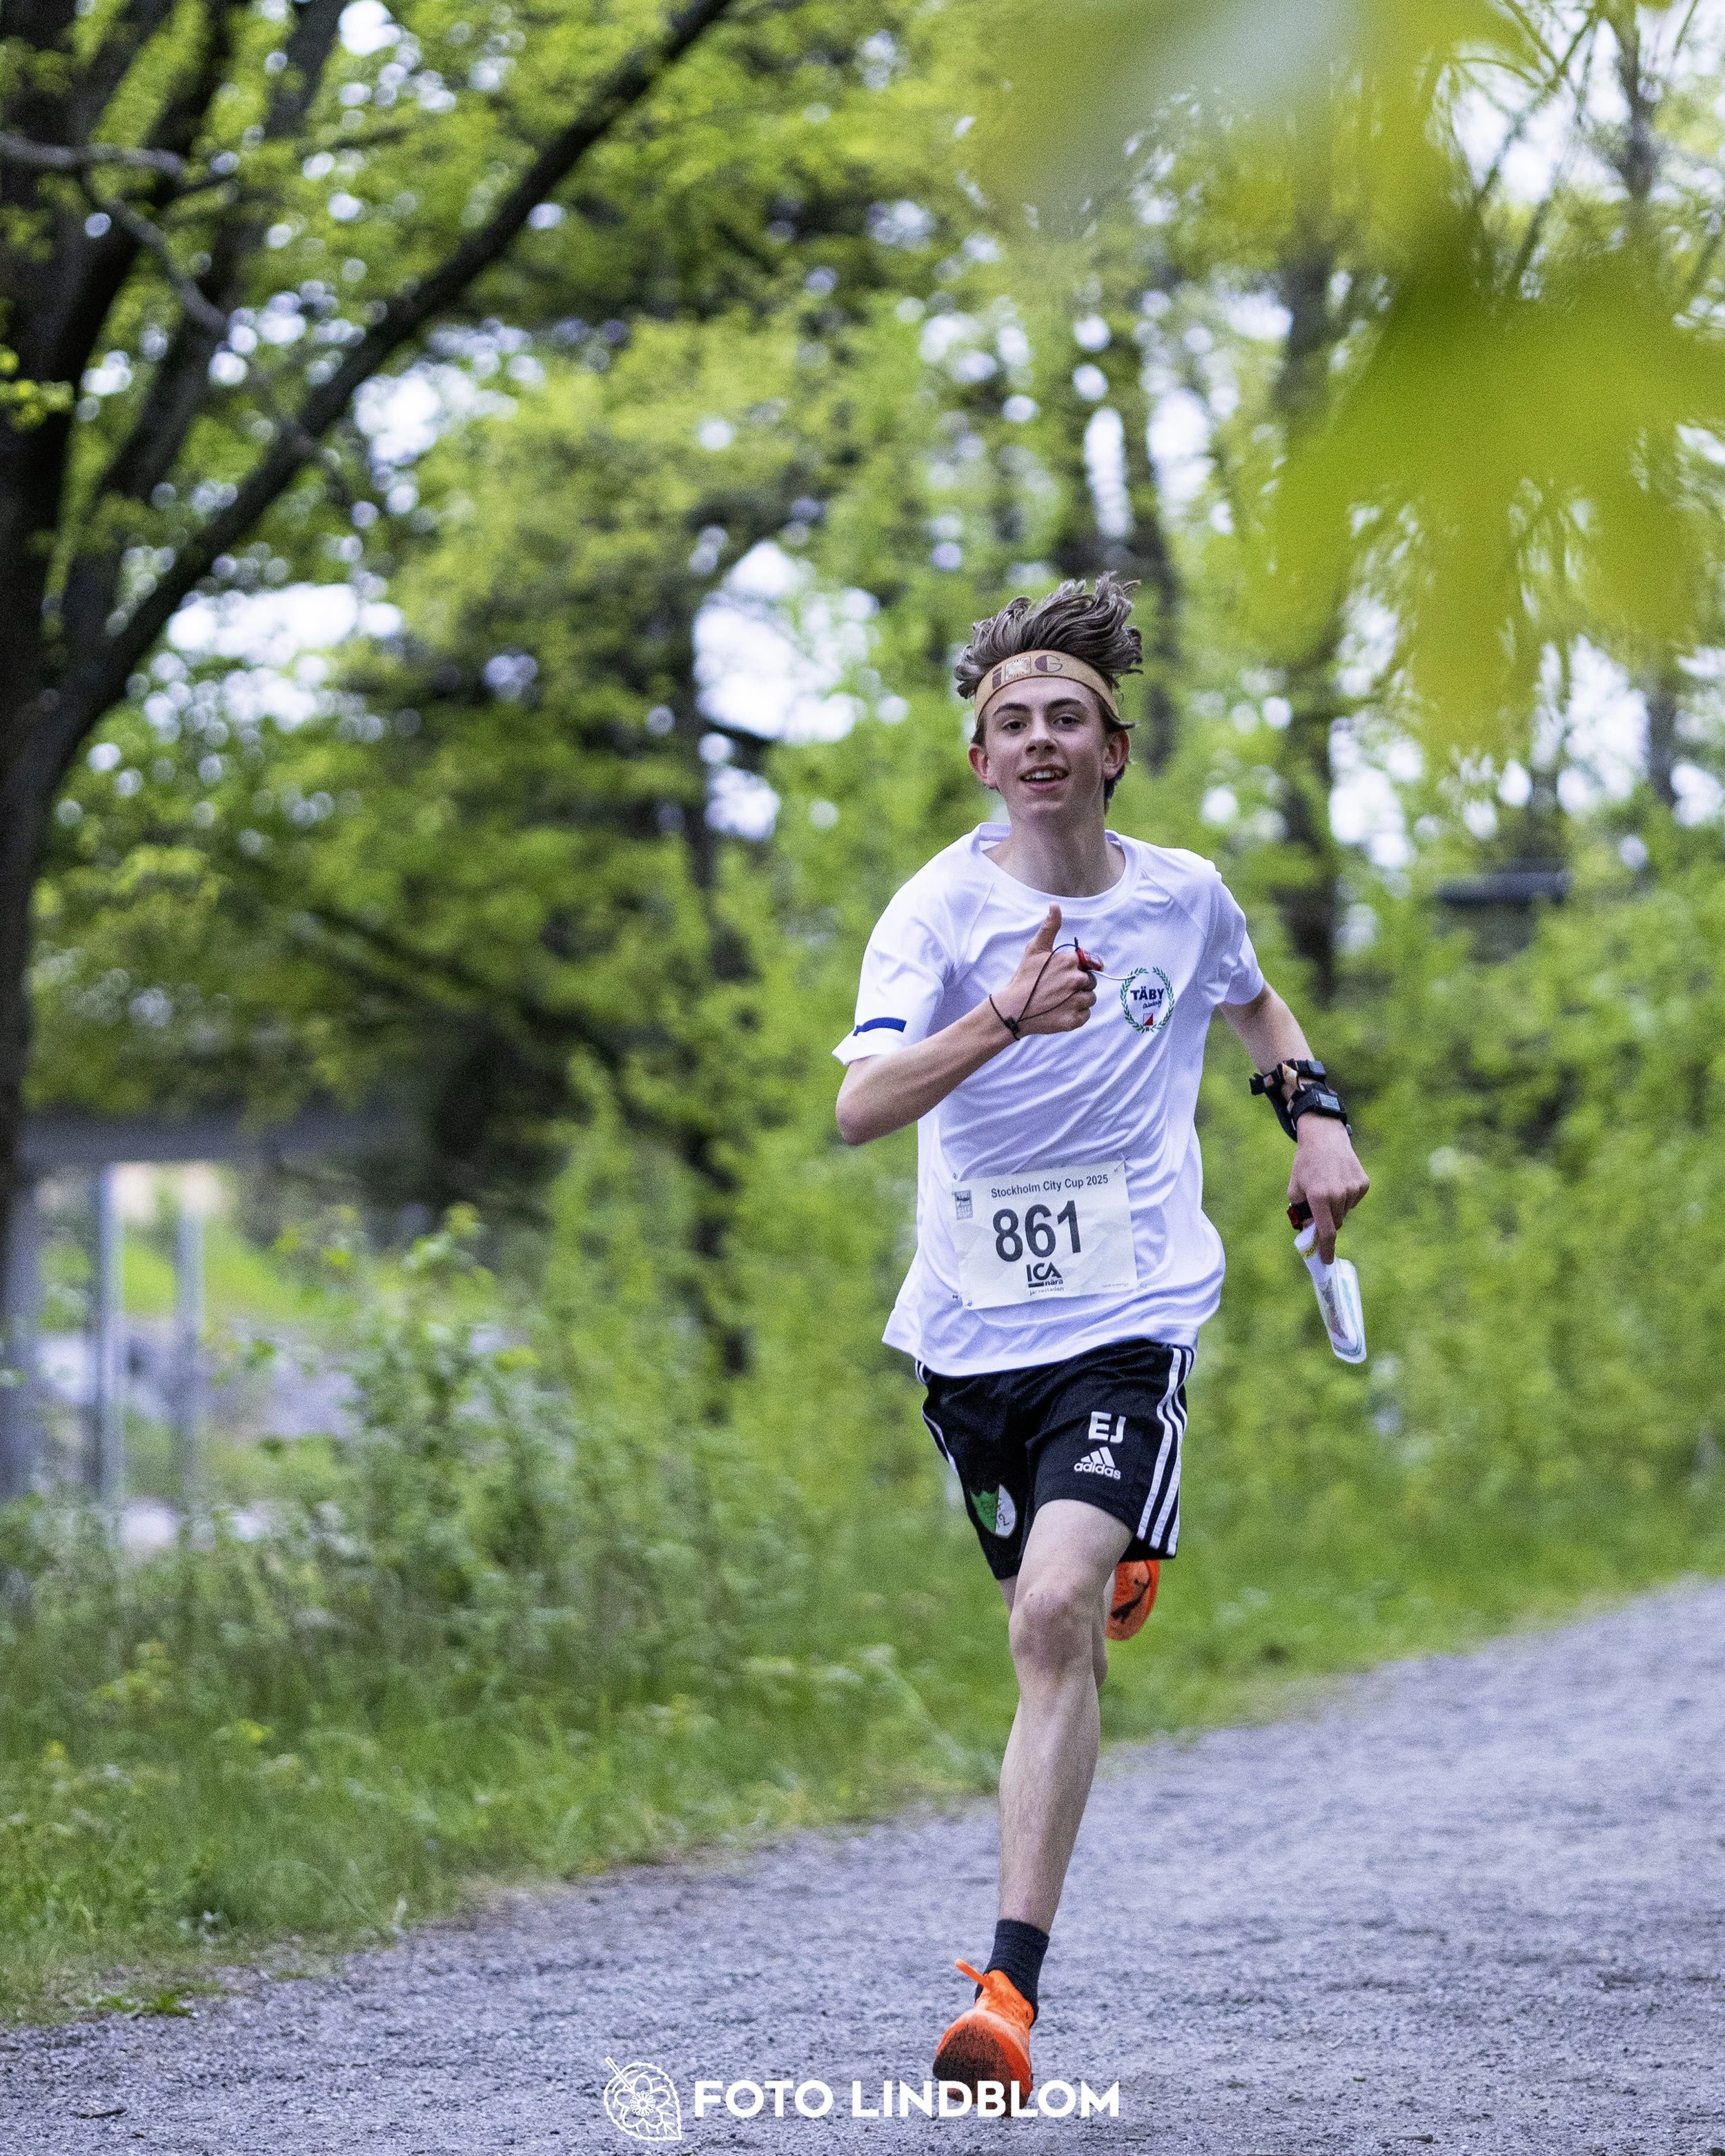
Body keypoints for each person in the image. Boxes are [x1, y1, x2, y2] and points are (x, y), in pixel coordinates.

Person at [831, 574, 1369, 2099]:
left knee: (1047, 1621)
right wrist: (999, 1015)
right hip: (969, 1331)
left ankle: (1006, 1986)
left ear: (1113, 745)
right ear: (980, 762)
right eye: (1012, 721)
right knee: (1045, 1608)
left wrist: (1313, 1124)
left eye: (1067, 715)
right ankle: (1113, 1541)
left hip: (1130, 1311)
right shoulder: (937, 913)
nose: (1041, 737)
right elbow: (858, 1108)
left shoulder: (1180, 894)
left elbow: (1254, 1006)